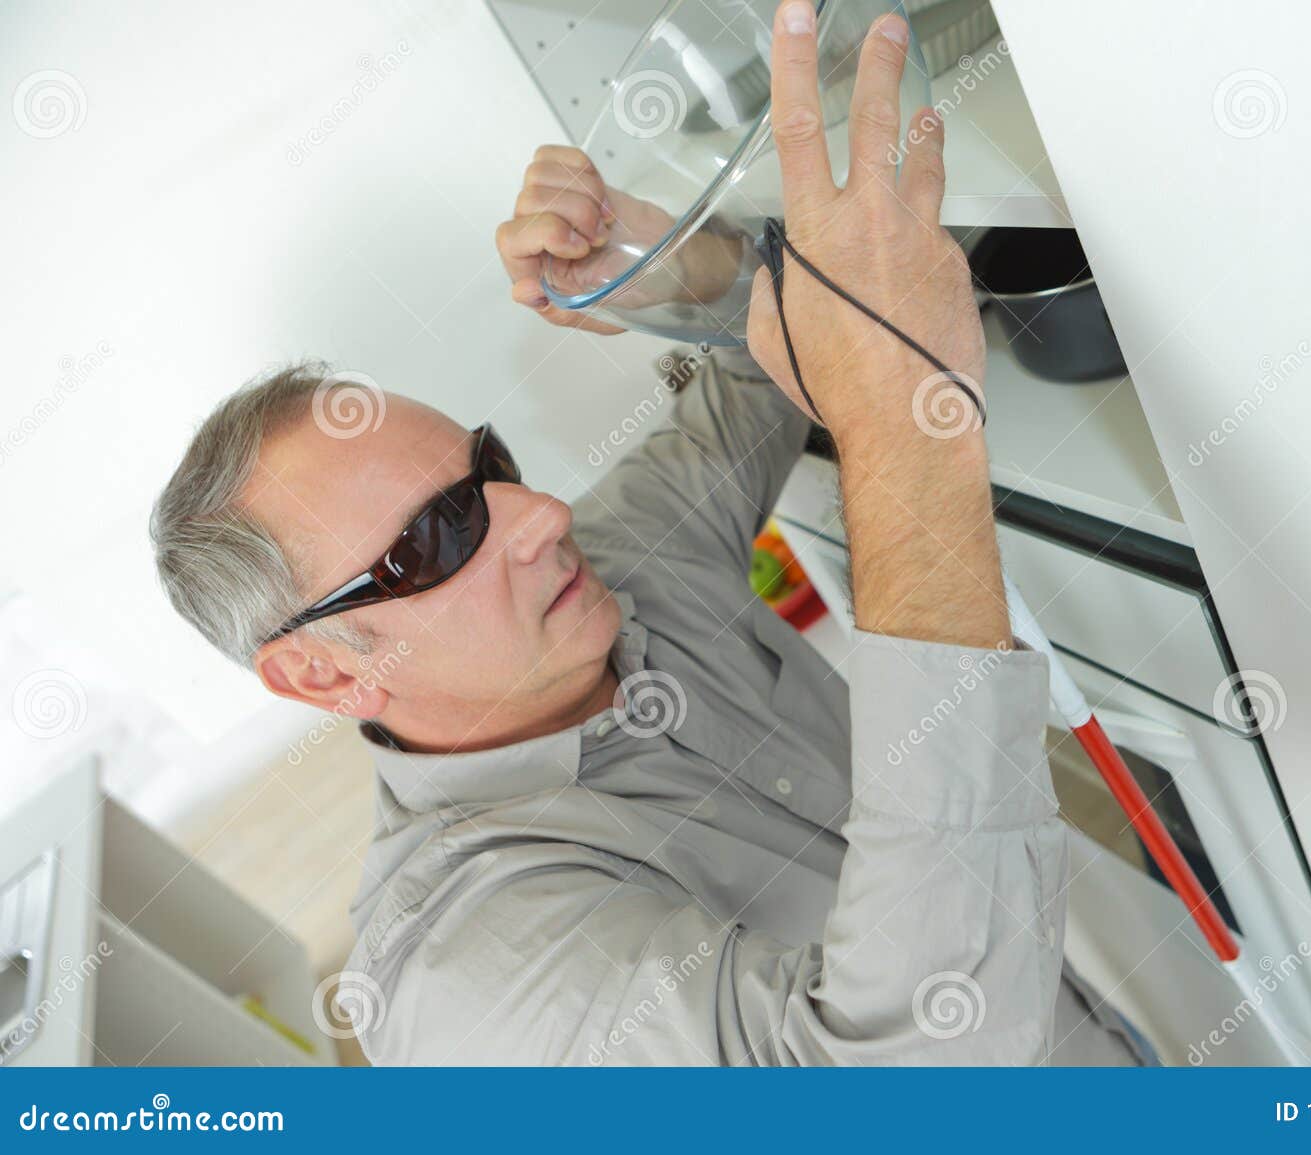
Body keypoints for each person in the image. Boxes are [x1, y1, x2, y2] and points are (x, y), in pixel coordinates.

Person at [151, 3, 1145, 1065]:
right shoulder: (471, 980)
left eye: (491, 468)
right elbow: (920, 1067)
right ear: (320, 672)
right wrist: (909, 422)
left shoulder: (615, 570)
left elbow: (758, 376)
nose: (540, 515)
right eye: (436, 538)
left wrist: (657, 261)